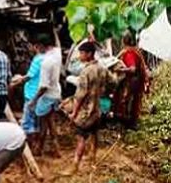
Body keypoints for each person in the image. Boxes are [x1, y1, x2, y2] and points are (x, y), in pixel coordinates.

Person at [67, 42, 111, 174]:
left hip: (86, 111)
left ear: (89, 54)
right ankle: (93, 157)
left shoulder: (85, 72)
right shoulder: (102, 68)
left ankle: (75, 166)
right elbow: (113, 81)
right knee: (94, 134)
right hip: (97, 109)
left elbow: (80, 96)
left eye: (81, 53)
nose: (80, 55)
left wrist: (74, 113)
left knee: (81, 137)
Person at [28, 34, 62, 157]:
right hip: (56, 92)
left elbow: (43, 86)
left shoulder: (46, 63)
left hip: (47, 96)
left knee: (43, 124)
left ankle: (39, 148)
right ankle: (56, 148)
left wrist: (34, 99)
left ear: (42, 46)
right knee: (50, 121)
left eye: (37, 47)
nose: (37, 49)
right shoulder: (57, 54)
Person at [11, 40, 44, 151]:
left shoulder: (37, 59)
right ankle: (37, 146)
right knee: (37, 121)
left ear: (36, 46)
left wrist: (16, 82)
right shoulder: (48, 59)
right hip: (40, 94)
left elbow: (29, 76)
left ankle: (28, 148)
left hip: (32, 94)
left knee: (27, 123)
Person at [114, 31, 150, 128]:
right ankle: (132, 122)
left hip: (132, 81)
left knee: (126, 101)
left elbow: (132, 69)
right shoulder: (135, 50)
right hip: (137, 81)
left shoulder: (129, 53)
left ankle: (127, 123)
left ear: (124, 40)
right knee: (134, 101)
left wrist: (119, 69)